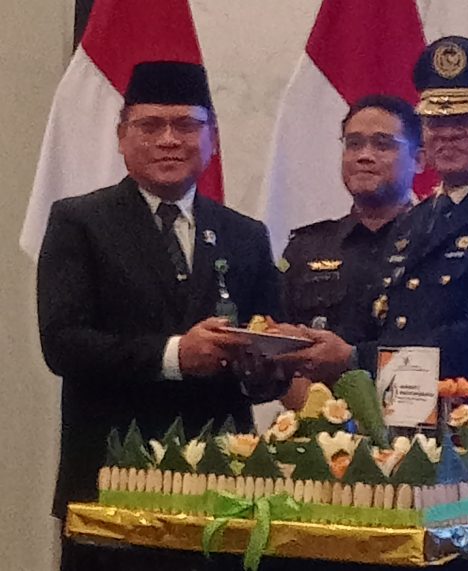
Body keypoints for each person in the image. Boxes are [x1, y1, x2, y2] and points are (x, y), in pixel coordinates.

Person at [37, 61, 284, 570]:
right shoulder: (79, 221)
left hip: (222, 487)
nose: (169, 140)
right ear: (121, 137)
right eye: (150, 126)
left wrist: (263, 368)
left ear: (212, 138)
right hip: (112, 483)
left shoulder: (245, 234)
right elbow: (63, 344)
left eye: (186, 125)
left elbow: (269, 350)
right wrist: (174, 355)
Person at [280, 36, 468, 436]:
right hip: (400, 435)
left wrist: (354, 358)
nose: (448, 134)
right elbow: (385, 323)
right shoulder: (416, 218)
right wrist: (306, 344)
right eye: (436, 121)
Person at [278, 96, 423, 407]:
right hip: (318, 422)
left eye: (382, 145)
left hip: (418, 420)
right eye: (353, 144)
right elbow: (278, 346)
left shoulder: (435, 242)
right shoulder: (307, 246)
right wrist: (322, 415)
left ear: (420, 159)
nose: (364, 156)